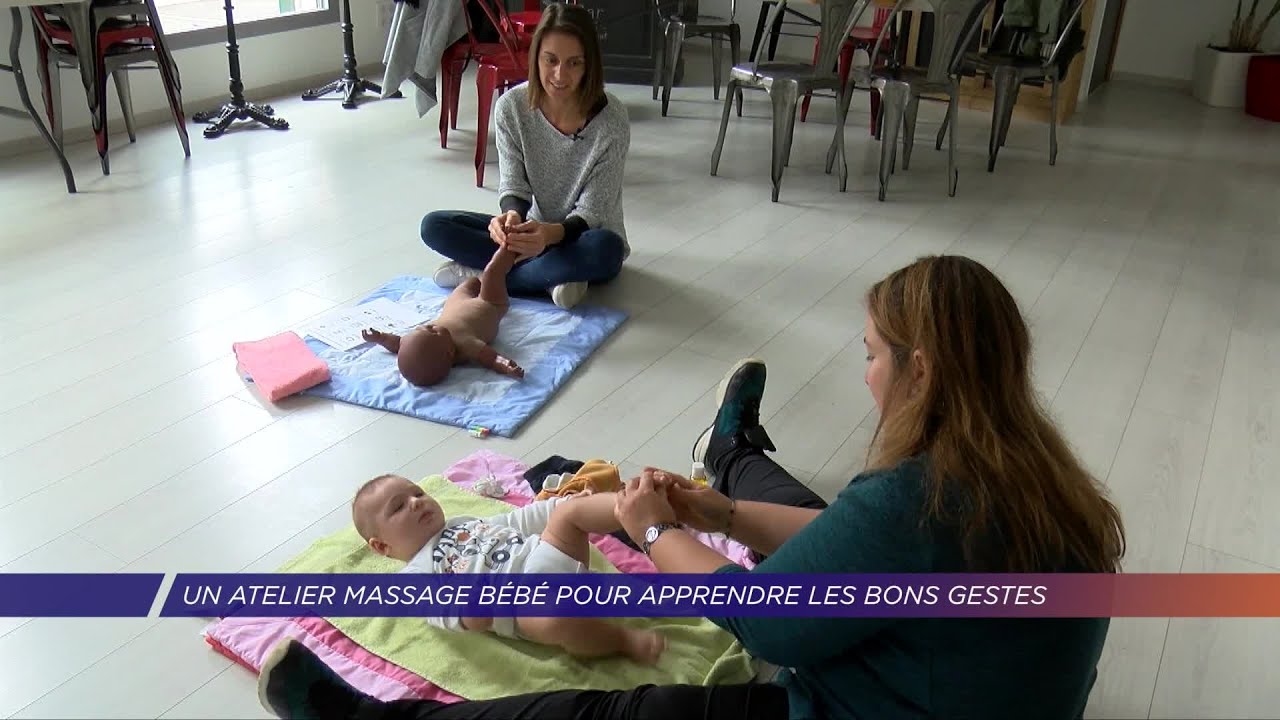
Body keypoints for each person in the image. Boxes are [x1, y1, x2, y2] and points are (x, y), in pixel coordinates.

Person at [257, 255, 1126, 720]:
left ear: (922, 370)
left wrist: (648, 530)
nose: (864, 374)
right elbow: (856, 546)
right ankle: (733, 454)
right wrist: (716, 514)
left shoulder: (917, 497)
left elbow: (763, 620)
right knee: (790, 512)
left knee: (612, 716)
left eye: (869, 354)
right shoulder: (1033, 472)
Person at [420, 3, 630, 311]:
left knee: (605, 249)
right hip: (533, 233)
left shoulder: (612, 120)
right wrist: (511, 219)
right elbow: (514, 185)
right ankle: (550, 280)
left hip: (583, 235)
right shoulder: (511, 107)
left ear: (589, 65)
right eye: (551, 60)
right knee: (434, 226)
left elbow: (593, 211)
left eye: (574, 63)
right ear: (537, 58)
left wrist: (551, 234)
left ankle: (484, 275)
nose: (560, 75)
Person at [349, 474, 665, 664]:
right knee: (553, 620)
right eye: (399, 507)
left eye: (417, 493)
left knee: (570, 513)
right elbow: (446, 612)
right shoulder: (414, 577)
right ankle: (619, 640)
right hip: (528, 607)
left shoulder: (463, 522)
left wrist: (559, 505)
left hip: (548, 558)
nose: (416, 502)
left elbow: (519, 521)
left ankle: (639, 510)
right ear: (381, 546)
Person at [362, 246, 525, 387]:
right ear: (449, 352)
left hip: (457, 302)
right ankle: (510, 248)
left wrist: (380, 338)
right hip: (491, 303)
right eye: (433, 331)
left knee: (471, 283)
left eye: (422, 328)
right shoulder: (465, 345)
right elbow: (491, 358)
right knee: (492, 273)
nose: (425, 326)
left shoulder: (418, 341)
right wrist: (506, 366)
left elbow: (397, 343)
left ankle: (474, 276)